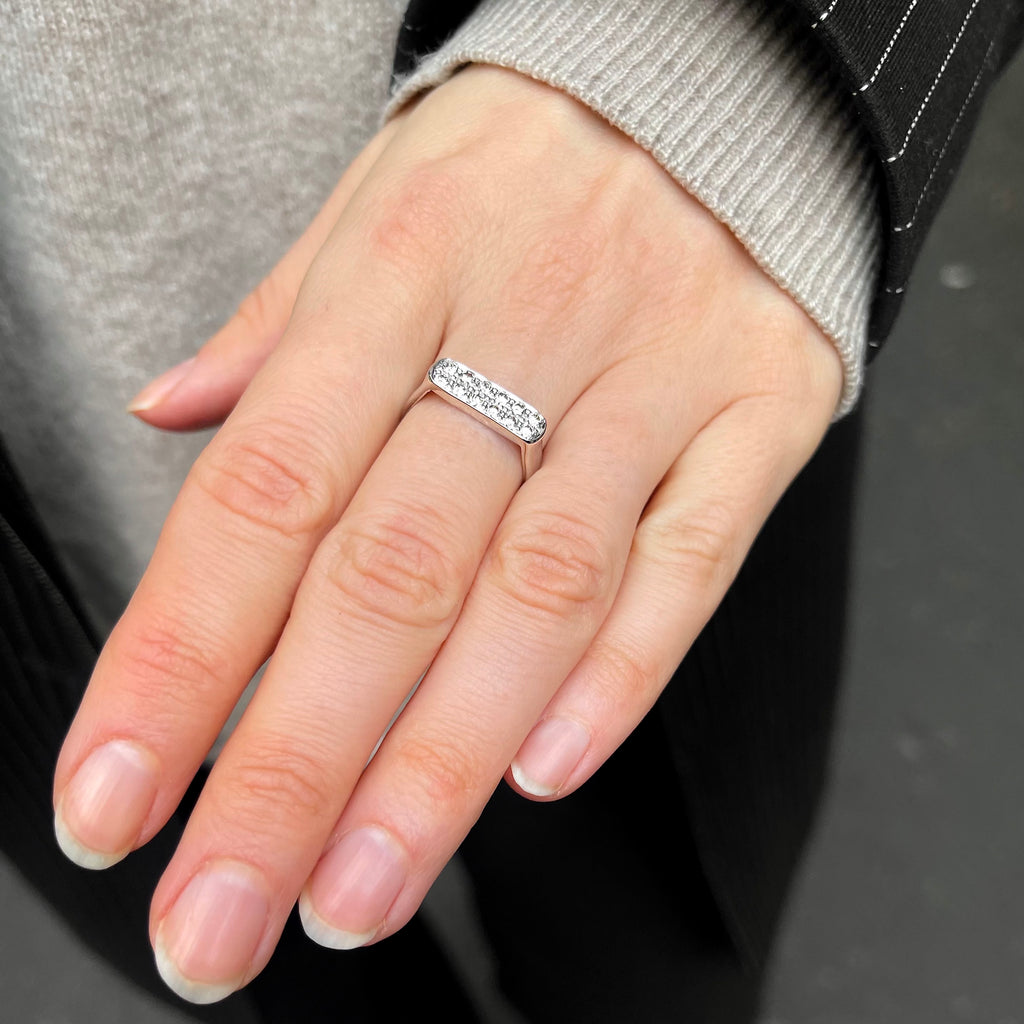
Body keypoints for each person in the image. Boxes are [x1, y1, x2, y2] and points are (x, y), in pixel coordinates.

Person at [0, 1, 1020, 1020]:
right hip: (52, 508)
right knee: (270, 952)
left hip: (629, 318)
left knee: (645, 955)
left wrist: (721, 82)